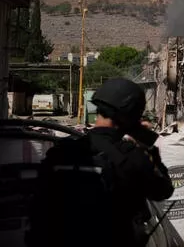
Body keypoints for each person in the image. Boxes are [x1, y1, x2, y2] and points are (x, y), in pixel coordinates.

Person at [27, 77, 174, 247]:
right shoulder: (133, 157)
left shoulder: (60, 152)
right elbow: (163, 190)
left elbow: (38, 206)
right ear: (130, 116)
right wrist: (150, 150)